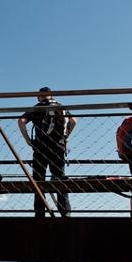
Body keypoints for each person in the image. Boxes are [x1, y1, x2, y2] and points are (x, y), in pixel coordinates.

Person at [19, 87, 76, 217]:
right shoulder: (61, 107)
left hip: (40, 148)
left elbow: (21, 121)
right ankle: (65, 212)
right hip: (58, 147)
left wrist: (28, 140)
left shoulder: (37, 107)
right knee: (59, 178)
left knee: (38, 181)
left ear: (40, 97)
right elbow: (74, 120)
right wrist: (65, 136)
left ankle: (40, 213)